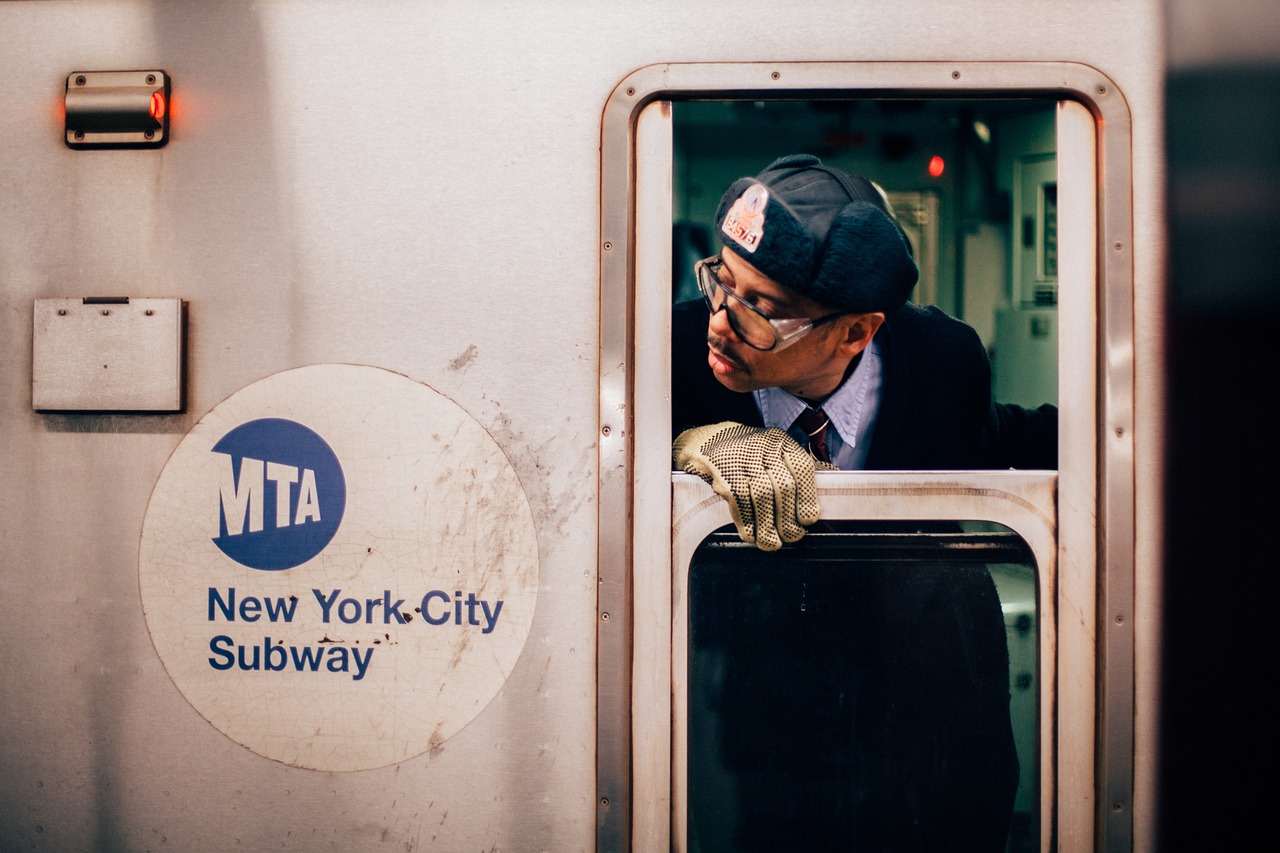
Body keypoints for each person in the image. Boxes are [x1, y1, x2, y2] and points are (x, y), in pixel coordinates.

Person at [671, 154, 1051, 851]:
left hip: (932, 701)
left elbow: (994, 440)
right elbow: (591, 454)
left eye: (763, 307)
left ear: (855, 332)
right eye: (722, 283)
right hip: (764, 710)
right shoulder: (669, 352)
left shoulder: (942, 359)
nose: (721, 321)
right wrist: (692, 444)